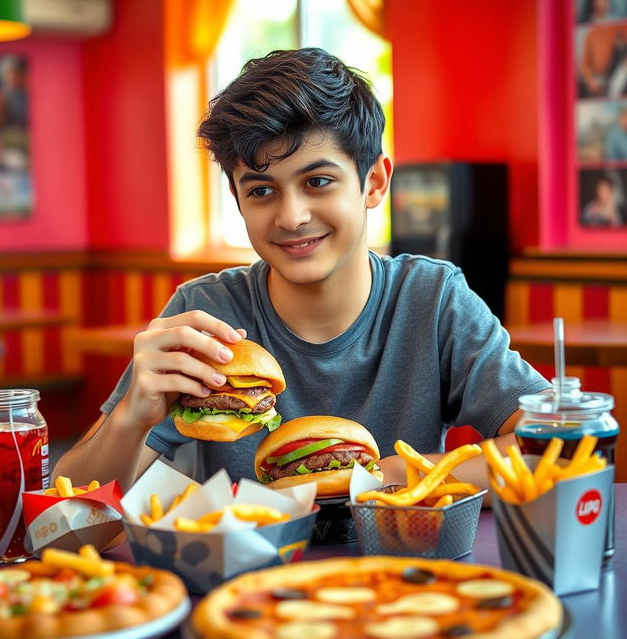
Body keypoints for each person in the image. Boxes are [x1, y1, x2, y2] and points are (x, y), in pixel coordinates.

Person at [53, 48, 550, 492]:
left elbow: (546, 446)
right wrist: (130, 419)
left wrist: (370, 475)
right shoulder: (204, 313)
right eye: (262, 191)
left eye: (317, 181)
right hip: (242, 587)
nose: (291, 218)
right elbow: (68, 520)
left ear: (374, 183)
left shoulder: (432, 298)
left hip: (398, 571)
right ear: (239, 201)